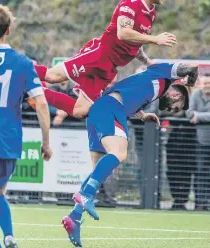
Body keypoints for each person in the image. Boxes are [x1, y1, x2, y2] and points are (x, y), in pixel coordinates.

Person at [61, 62, 198, 247]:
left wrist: (142, 116)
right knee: (119, 152)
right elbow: (192, 68)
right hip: (110, 108)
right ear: (177, 92)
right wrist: (191, 80)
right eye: (178, 103)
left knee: (99, 169)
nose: (173, 108)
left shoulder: (152, 88)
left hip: (100, 111)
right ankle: (86, 195)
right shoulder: (165, 76)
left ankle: (74, 217)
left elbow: (130, 91)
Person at [34, 0, 177, 121]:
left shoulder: (151, 13)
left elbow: (134, 43)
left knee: (80, 111)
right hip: (99, 55)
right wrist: (155, 39)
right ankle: (18, 68)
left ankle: (33, 92)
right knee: (52, 76)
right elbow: (123, 33)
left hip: (108, 68)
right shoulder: (131, 2)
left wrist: (148, 62)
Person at [0, 5, 52, 248]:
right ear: (8, 30)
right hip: (8, 142)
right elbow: (41, 105)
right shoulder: (23, 63)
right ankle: (9, 235)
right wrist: (46, 143)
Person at [187, 73, 210, 211]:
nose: (207, 86)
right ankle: (200, 203)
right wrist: (195, 115)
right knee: (201, 172)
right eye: (205, 83)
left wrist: (199, 116)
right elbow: (189, 112)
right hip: (201, 141)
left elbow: (195, 115)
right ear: (201, 84)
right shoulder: (195, 94)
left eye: (209, 84)